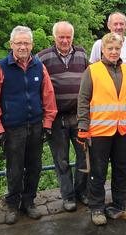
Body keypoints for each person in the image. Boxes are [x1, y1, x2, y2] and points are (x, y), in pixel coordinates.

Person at [0, 26, 57, 224]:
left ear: (32, 45)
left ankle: (29, 203)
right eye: (19, 43)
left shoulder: (39, 66)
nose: (23, 46)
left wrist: (48, 122)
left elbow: (48, 96)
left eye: (26, 43)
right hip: (12, 128)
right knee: (14, 170)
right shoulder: (0, 68)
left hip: (36, 125)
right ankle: (12, 205)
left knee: (35, 167)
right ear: (12, 45)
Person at [77, 33, 126, 226]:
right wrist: (82, 127)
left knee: (121, 169)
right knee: (98, 171)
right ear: (102, 50)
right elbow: (83, 100)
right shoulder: (92, 71)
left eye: (117, 48)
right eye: (110, 48)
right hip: (99, 131)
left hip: (123, 130)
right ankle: (96, 207)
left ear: (121, 49)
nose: (114, 52)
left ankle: (120, 202)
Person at [89, 12, 126, 196]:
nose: (119, 27)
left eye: (122, 23)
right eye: (115, 23)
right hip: (104, 111)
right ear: (109, 25)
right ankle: (98, 198)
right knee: (100, 161)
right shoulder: (99, 44)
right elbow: (91, 74)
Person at [37, 21, 89, 211]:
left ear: (73, 37)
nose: (65, 40)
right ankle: (68, 196)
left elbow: (89, 80)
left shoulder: (82, 53)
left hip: (79, 116)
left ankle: (82, 192)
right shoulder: (42, 57)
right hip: (56, 118)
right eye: (61, 37)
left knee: (84, 156)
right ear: (54, 37)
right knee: (62, 160)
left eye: (68, 37)